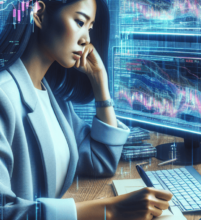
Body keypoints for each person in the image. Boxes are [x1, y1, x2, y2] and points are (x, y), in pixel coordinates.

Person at [0, 0, 173, 219]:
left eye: (90, 28)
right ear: (39, 14)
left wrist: (100, 82)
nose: (87, 39)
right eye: (80, 22)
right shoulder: (4, 98)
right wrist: (109, 210)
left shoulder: (54, 99)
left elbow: (100, 160)